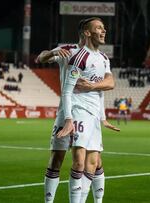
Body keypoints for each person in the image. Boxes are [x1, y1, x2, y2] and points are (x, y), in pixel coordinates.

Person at [37, 18, 119, 203]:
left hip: (89, 113)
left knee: (92, 161)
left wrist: (102, 116)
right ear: (85, 32)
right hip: (69, 110)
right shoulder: (68, 51)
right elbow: (40, 58)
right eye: (98, 28)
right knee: (58, 158)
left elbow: (107, 85)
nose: (103, 31)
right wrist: (52, 53)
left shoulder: (102, 58)